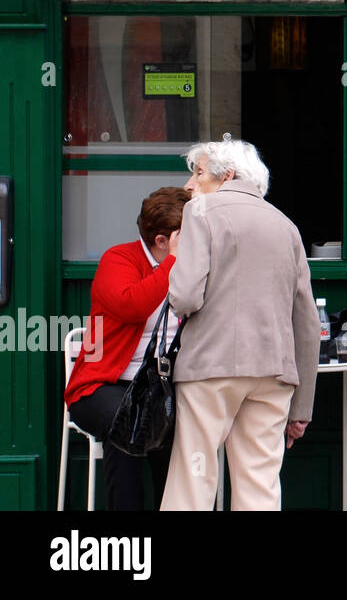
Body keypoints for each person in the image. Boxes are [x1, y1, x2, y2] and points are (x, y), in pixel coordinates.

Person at [160, 139, 319, 511]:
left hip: (210, 368)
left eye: (197, 172)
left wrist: (178, 262)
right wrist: (303, 407)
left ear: (227, 175)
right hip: (273, 373)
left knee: (194, 479)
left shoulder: (201, 211)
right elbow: (307, 322)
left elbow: (184, 298)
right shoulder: (286, 225)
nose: (188, 184)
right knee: (260, 484)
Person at [65, 186, 190, 510]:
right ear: (162, 241)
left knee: (182, 431)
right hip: (103, 385)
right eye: (187, 235)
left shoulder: (191, 266)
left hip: (162, 385)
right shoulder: (119, 259)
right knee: (131, 421)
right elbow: (131, 305)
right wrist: (172, 263)